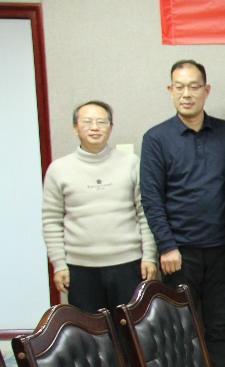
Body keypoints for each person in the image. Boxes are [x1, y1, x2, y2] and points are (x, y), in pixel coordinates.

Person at [140, 60, 225, 367]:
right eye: (180, 87)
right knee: (180, 330)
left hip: (224, 251)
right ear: (170, 91)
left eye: (194, 87)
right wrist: (166, 246)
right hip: (179, 254)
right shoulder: (156, 138)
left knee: (220, 327)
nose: (187, 94)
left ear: (206, 90)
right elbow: (151, 198)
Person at [42, 101, 158, 313]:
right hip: (80, 269)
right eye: (87, 122)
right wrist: (59, 264)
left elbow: (145, 213)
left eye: (101, 122)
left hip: (129, 264)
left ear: (110, 127)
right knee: (89, 330)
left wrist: (149, 256)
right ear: (75, 128)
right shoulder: (58, 169)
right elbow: (51, 220)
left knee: (130, 328)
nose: (94, 127)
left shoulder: (131, 163)